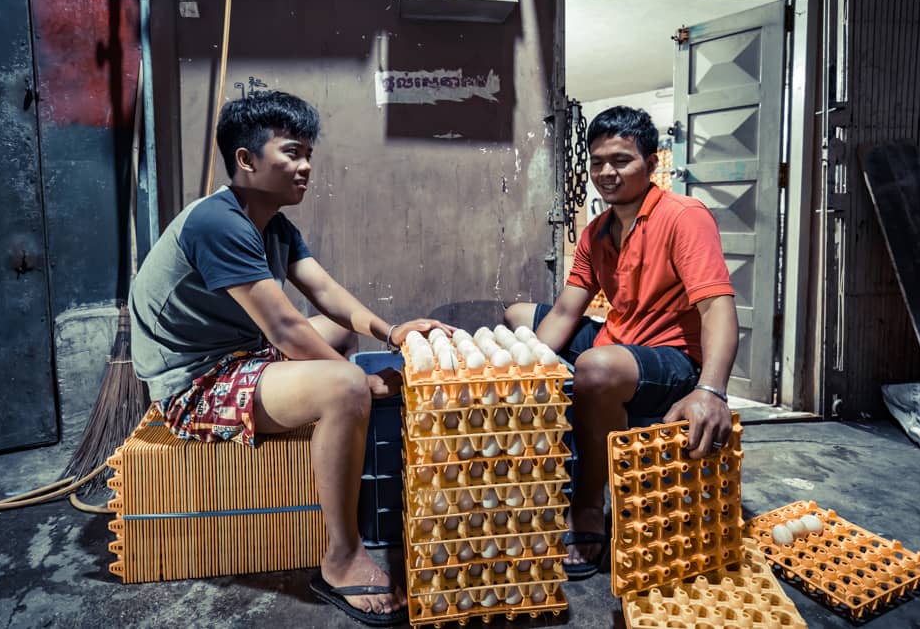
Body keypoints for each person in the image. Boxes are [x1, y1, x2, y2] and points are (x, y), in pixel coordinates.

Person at [130, 90, 450, 626]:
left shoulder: (273, 224)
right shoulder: (217, 222)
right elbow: (284, 327)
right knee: (344, 385)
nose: (305, 167)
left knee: (339, 341)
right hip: (195, 382)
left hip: (240, 355)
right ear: (246, 160)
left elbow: (326, 295)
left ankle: (339, 431)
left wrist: (392, 330)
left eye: (308, 155)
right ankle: (341, 559)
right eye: (291, 153)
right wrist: (361, 383)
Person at [504, 105, 738, 580]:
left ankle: (589, 502)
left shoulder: (683, 217)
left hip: (675, 357)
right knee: (518, 316)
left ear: (652, 165)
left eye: (621, 160)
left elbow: (717, 308)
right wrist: (523, 371)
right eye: (597, 162)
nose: (607, 173)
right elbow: (568, 309)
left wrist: (711, 391)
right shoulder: (598, 231)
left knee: (595, 367)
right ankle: (576, 389)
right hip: (622, 338)